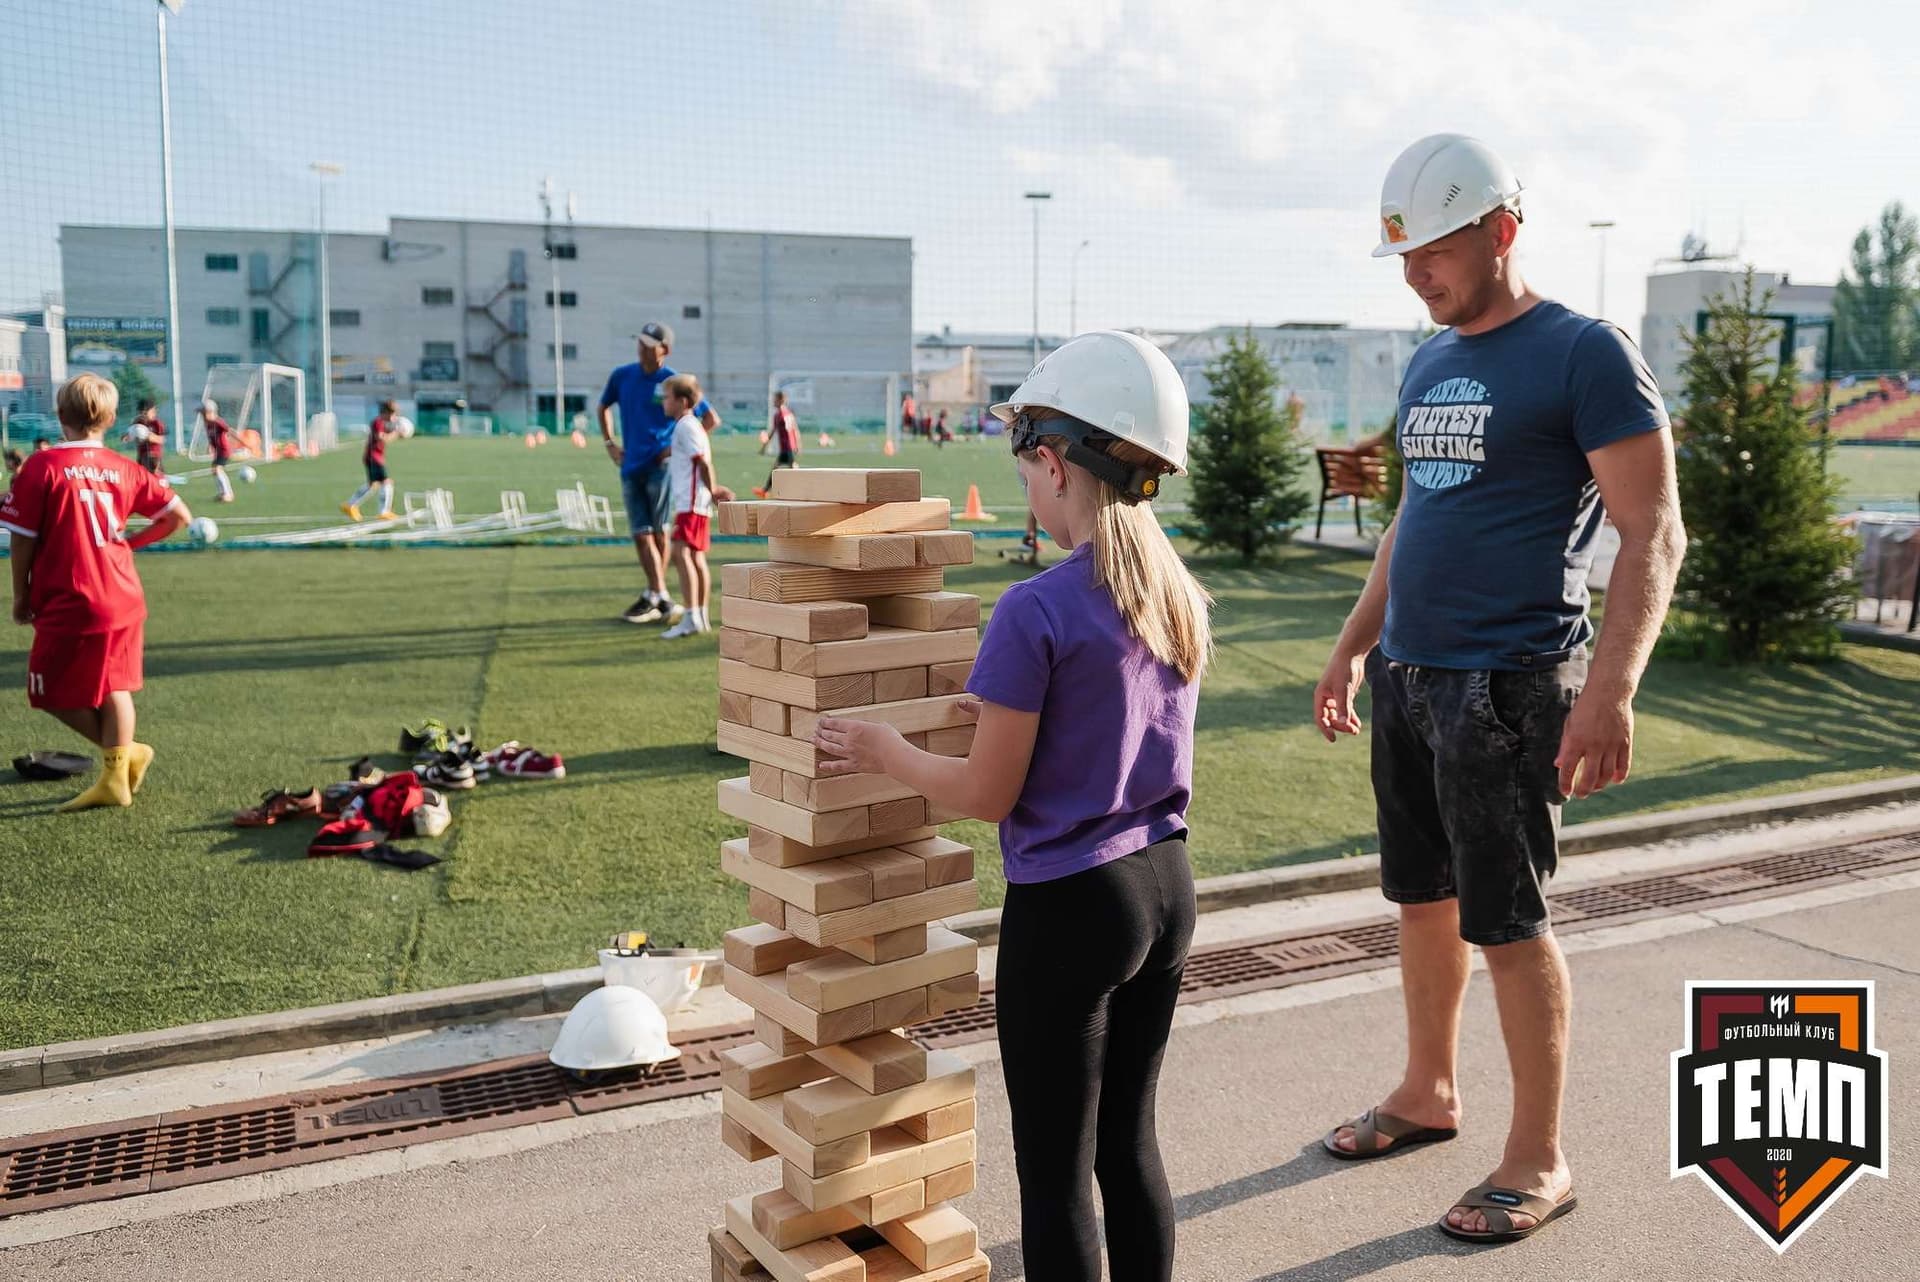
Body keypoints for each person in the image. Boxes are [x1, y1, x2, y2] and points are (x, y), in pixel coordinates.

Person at [1313, 135, 1684, 1244]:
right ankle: (1429, 1090)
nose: (1416, 273)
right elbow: (1409, 521)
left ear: (1502, 229)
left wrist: (1611, 690)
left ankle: (1540, 1156)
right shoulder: (1431, 362)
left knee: (1509, 923)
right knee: (1421, 902)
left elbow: (1654, 530)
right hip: (1410, 676)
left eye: (1434, 250)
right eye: (1403, 255)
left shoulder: (1585, 354)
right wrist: (1349, 648)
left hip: (1508, 683)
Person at [813, 331, 1209, 1282]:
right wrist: (1001, 711)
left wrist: (886, 749)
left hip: (1073, 909)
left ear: (1053, 460)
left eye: (1024, 466)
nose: (1027, 489)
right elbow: (1105, 714)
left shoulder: (1034, 607)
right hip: (1165, 887)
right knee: (1129, 1146)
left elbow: (987, 793)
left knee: (1056, 1176)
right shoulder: (1172, 592)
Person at [3, 373, 191, 810]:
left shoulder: (42, 467)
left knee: (47, 692)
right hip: (123, 594)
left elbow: (23, 538)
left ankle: (121, 758)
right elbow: (177, 516)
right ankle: (118, 770)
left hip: (73, 597)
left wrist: (20, 595)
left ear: (59, 415)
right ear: (109, 418)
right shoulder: (124, 466)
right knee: (114, 686)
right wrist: (131, 545)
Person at [598, 322, 721, 624]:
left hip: (661, 469)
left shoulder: (673, 382)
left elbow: (709, 418)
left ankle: (659, 595)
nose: (641, 348)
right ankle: (659, 594)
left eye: (648, 344)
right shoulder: (622, 375)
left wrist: (675, 446)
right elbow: (603, 406)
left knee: (660, 533)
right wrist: (610, 443)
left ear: (664, 350)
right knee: (641, 534)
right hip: (629, 466)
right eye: (639, 342)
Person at [660, 374, 731, 639]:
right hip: (695, 501)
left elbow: (701, 463)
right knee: (696, 557)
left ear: (682, 401)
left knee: (681, 553)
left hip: (690, 502)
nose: (663, 402)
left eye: (667, 397)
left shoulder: (685, 426)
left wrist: (712, 491)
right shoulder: (692, 426)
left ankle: (691, 617)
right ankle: (700, 616)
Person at [341, 399, 400, 521]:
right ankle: (383, 512)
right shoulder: (378, 422)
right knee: (387, 482)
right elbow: (381, 438)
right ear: (386, 413)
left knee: (373, 484)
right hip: (374, 457)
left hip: (373, 457)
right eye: (393, 414)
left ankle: (350, 505)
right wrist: (395, 434)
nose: (394, 417)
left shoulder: (381, 423)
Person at [753, 389, 800, 498]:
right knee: (779, 467)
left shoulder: (779, 415)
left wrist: (763, 447)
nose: (773, 401)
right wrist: (797, 444)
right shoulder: (789, 413)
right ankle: (765, 490)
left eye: (775, 399)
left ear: (780, 400)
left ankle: (802, 489)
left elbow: (773, 432)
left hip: (786, 447)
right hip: (790, 446)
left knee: (792, 468)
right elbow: (795, 430)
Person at [201, 398, 235, 504]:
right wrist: (210, 446)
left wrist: (244, 442)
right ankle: (223, 493)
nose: (202, 416)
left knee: (218, 469)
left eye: (204, 413)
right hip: (218, 451)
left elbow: (229, 431)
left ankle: (228, 494)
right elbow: (212, 437)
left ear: (211, 412)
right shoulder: (208, 424)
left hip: (224, 450)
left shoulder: (218, 422)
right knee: (215, 470)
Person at [127, 399, 166, 475]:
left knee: (156, 481)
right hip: (141, 457)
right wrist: (129, 436)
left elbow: (162, 439)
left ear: (153, 411)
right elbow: (130, 435)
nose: (142, 414)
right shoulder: (138, 423)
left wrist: (149, 436)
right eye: (140, 412)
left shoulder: (157, 424)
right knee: (141, 481)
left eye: (145, 412)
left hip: (153, 458)